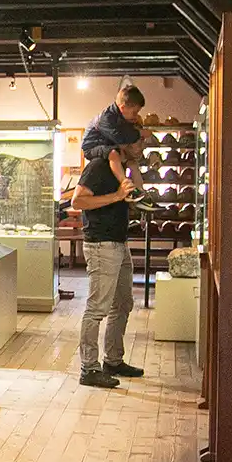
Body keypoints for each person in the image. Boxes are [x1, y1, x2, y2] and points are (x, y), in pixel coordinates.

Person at [72, 145, 141, 388]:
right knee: (97, 308)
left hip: (119, 243)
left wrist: (133, 170)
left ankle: (113, 360)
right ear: (124, 142)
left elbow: (135, 197)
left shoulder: (122, 169)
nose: (142, 147)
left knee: (122, 304)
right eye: (139, 142)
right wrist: (116, 196)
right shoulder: (98, 166)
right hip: (101, 244)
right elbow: (78, 200)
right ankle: (89, 368)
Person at [81, 83, 148, 172]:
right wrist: (139, 133)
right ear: (123, 108)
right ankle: (122, 179)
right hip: (92, 148)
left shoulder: (119, 117)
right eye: (134, 112)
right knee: (113, 153)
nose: (135, 116)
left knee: (128, 161)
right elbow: (119, 137)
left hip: (105, 145)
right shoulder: (106, 118)